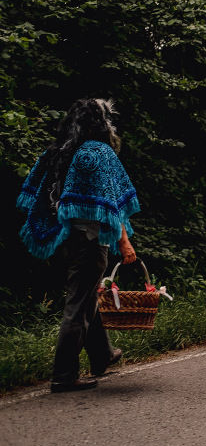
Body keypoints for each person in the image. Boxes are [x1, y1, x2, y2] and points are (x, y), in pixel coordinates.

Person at [17, 98, 140, 393]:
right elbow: (110, 206)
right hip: (89, 241)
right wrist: (124, 242)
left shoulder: (56, 153)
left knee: (84, 298)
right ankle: (63, 375)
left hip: (62, 240)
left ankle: (102, 355)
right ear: (101, 123)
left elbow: (38, 198)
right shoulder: (98, 152)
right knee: (78, 306)